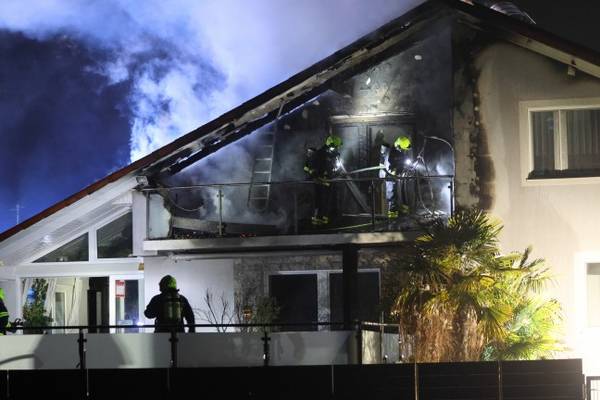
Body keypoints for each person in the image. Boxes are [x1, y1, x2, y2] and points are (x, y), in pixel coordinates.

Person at [304, 134, 343, 225]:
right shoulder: (320, 154)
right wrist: (317, 176)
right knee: (319, 201)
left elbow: (335, 167)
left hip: (327, 182)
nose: (336, 149)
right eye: (336, 147)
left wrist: (336, 172)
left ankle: (324, 219)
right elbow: (313, 169)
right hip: (320, 182)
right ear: (331, 145)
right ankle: (317, 220)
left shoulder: (332, 154)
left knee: (326, 202)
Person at [380, 135, 412, 218]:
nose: (404, 151)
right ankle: (392, 217)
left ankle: (404, 213)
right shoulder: (389, 153)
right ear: (398, 146)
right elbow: (388, 167)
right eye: (403, 149)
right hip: (390, 177)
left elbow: (403, 160)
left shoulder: (399, 151)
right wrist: (395, 171)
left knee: (403, 192)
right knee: (392, 195)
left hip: (398, 176)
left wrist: (406, 166)